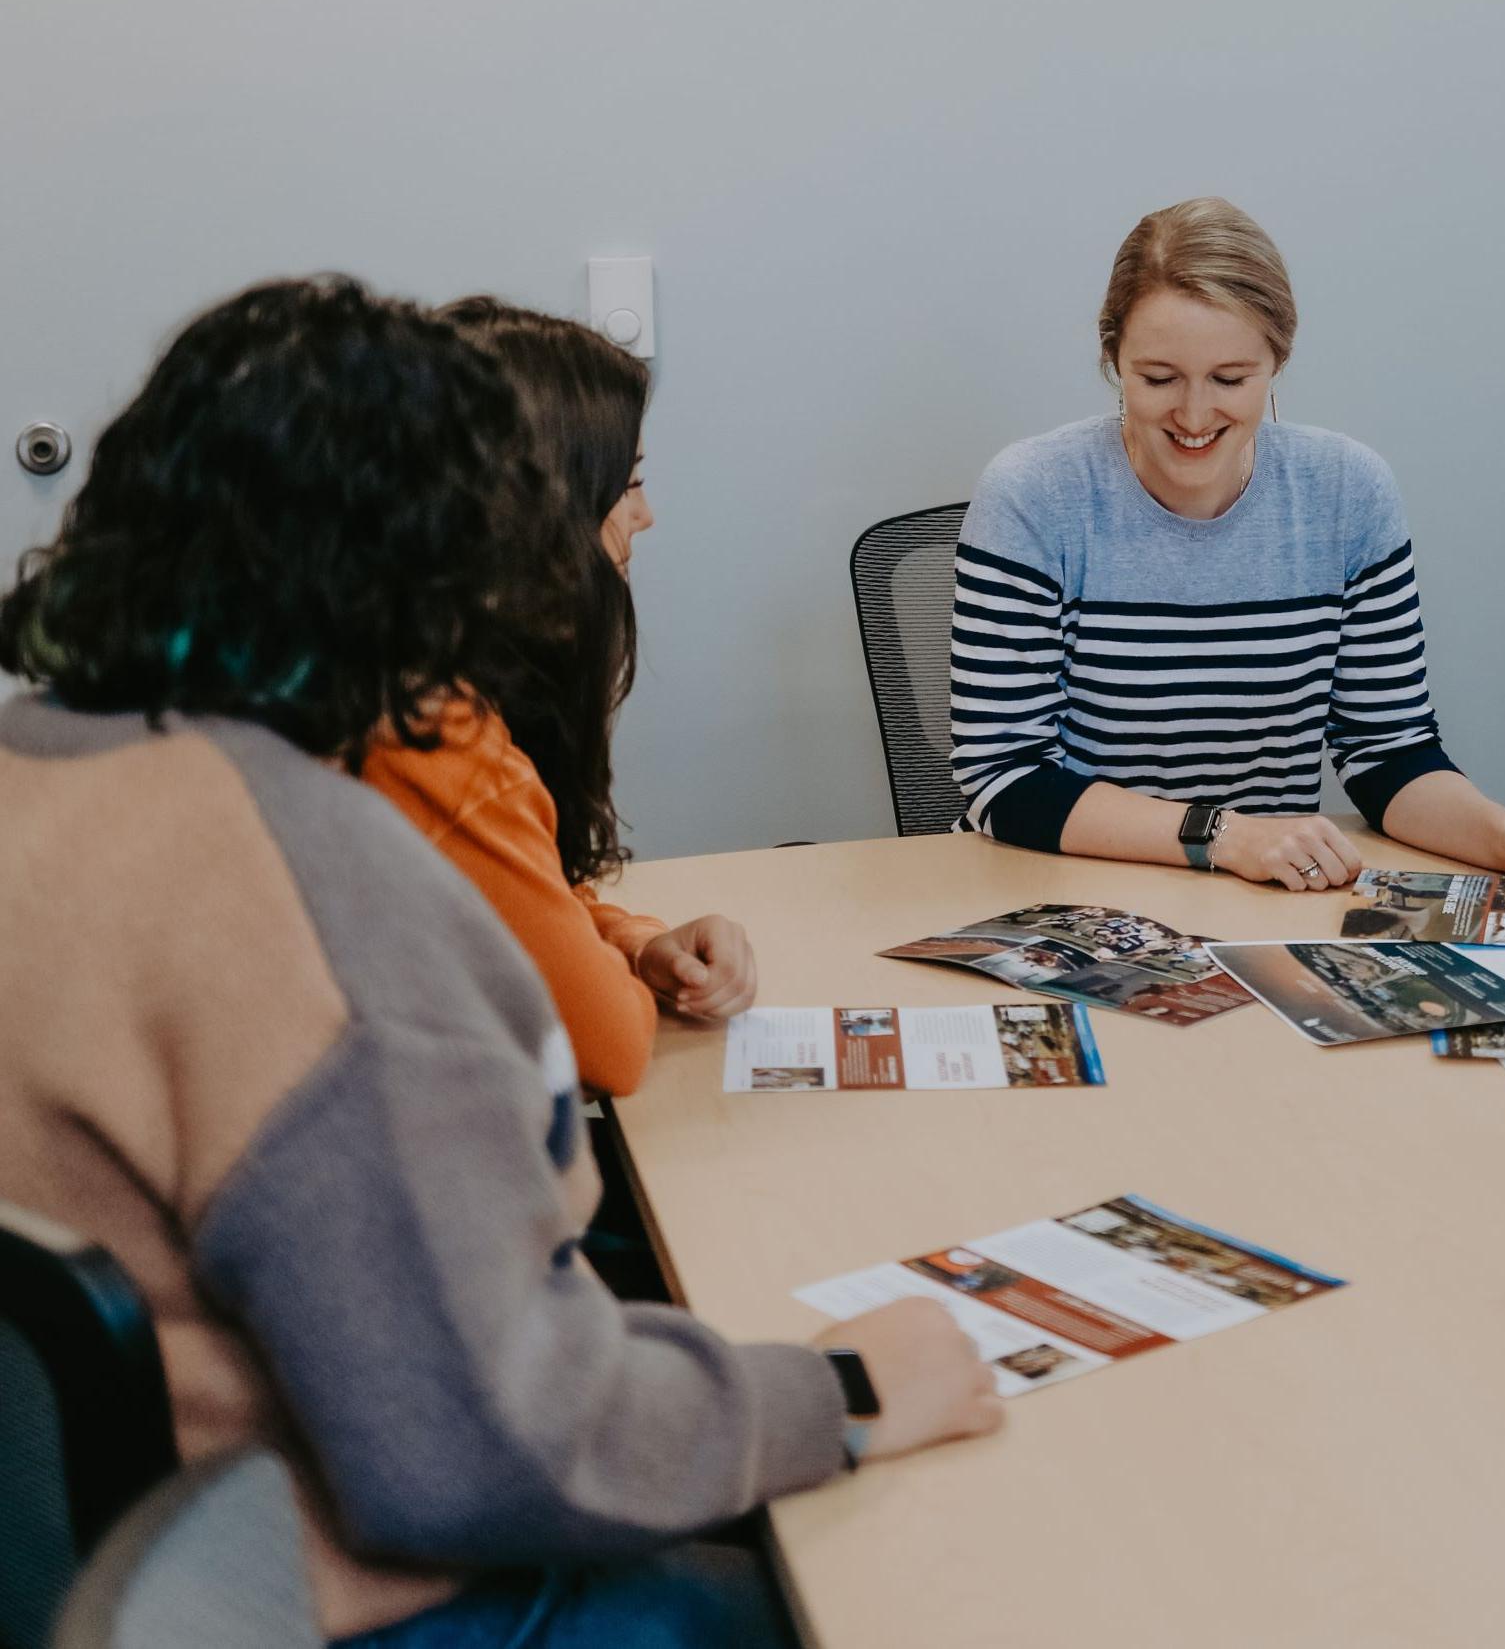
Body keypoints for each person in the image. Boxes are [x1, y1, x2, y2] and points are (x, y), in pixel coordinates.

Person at [0, 277, 1001, 1647]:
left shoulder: (41, 764)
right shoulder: (302, 879)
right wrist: (841, 1393)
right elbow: (474, 1442)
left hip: (98, 1558)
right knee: (912, 1586)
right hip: (301, 1587)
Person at [948, 197, 1505, 891]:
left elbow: (1387, 751)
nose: (1192, 414)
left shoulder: (1347, 492)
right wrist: (1224, 834)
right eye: (1158, 379)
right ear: (1113, 360)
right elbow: (1004, 777)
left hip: (1265, 902)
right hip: (1060, 895)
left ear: (1277, 361)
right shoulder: (1033, 496)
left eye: (1230, 379)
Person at [358, 298, 753, 1098]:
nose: (645, 515)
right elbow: (609, 1047)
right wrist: (617, 968)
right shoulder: (434, 739)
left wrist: (635, 942)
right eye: (628, 483)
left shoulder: (384, 666)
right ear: (544, 509)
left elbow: (519, 898)